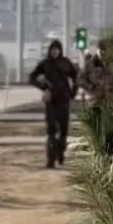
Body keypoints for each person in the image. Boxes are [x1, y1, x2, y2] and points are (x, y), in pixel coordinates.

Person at [29, 38, 78, 169]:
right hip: (51, 99)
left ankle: (60, 153)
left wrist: (73, 92)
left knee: (63, 130)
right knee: (51, 129)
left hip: (64, 99)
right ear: (49, 51)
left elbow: (76, 77)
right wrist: (43, 87)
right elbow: (32, 77)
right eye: (52, 50)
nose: (55, 52)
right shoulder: (45, 64)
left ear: (60, 51)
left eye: (57, 50)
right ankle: (50, 160)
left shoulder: (66, 62)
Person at [80, 40, 113, 157]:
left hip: (111, 102)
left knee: (110, 132)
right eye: (101, 50)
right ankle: (98, 157)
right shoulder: (90, 65)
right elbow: (80, 79)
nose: (103, 52)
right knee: (97, 132)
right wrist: (90, 88)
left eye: (105, 50)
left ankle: (107, 157)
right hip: (95, 103)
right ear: (97, 50)